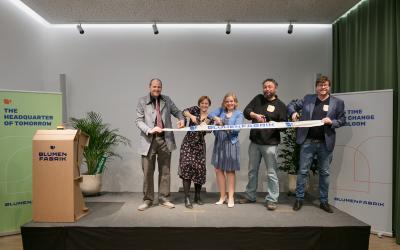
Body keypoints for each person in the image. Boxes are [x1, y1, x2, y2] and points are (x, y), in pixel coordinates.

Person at [287, 76, 346, 213]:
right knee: (302, 171)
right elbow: (291, 105)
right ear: (316, 87)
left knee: (324, 173)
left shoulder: (338, 102)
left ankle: (324, 201)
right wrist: (294, 113)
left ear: (329, 86)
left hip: (325, 143)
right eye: (320, 85)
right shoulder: (308, 98)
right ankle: (299, 199)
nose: (323, 87)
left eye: (325, 85)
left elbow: (342, 120)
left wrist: (331, 122)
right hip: (307, 141)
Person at [135, 78, 185, 211]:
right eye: (154, 87)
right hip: (148, 141)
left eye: (159, 87)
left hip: (165, 140)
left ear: (161, 88)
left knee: (165, 172)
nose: (156, 89)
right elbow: (139, 121)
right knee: (147, 173)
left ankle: (164, 199)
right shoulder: (142, 101)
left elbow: (178, 112)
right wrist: (150, 129)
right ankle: (148, 200)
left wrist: (181, 119)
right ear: (149, 87)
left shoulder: (167, 100)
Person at [239, 79, 287, 210]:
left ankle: (272, 199)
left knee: (271, 173)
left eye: (270, 87)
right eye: (265, 87)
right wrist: (254, 115)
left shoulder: (281, 105)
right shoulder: (258, 99)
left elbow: (284, 126)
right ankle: (250, 196)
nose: (267, 89)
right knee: (252, 171)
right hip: (255, 142)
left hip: (270, 144)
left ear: (275, 88)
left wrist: (275, 125)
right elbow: (246, 111)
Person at [208, 92, 243, 208]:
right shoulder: (221, 111)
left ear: (235, 102)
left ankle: (231, 197)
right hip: (219, 143)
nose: (229, 103)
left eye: (231, 101)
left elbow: (236, 130)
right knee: (218, 170)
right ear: (224, 103)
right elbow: (211, 114)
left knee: (230, 171)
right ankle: (222, 196)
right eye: (227, 101)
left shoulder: (239, 114)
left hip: (231, 144)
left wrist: (222, 122)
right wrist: (216, 117)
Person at [178, 96, 212, 209]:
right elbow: (184, 111)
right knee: (187, 168)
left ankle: (197, 196)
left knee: (199, 170)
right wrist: (191, 116)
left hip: (200, 145)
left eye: (206, 103)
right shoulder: (194, 110)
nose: (204, 105)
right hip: (188, 143)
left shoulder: (209, 117)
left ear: (209, 105)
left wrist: (206, 128)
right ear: (199, 104)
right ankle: (187, 197)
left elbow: (210, 130)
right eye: (202, 103)